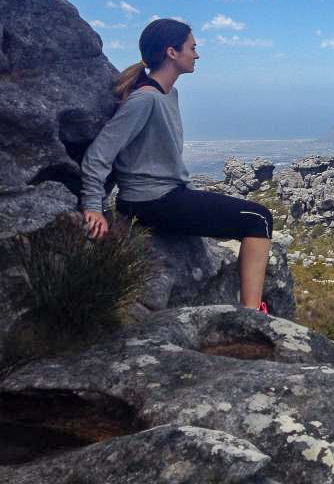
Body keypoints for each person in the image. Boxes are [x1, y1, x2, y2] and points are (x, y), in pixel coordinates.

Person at [81, 18, 273, 311]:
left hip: (168, 196)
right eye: (192, 48)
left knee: (254, 217)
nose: (196, 55)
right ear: (172, 52)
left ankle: (250, 310)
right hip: (149, 202)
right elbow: (98, 155)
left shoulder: (169, 94)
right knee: (257, 219)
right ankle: (250, 315)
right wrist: (93, 206)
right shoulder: (145, 100)